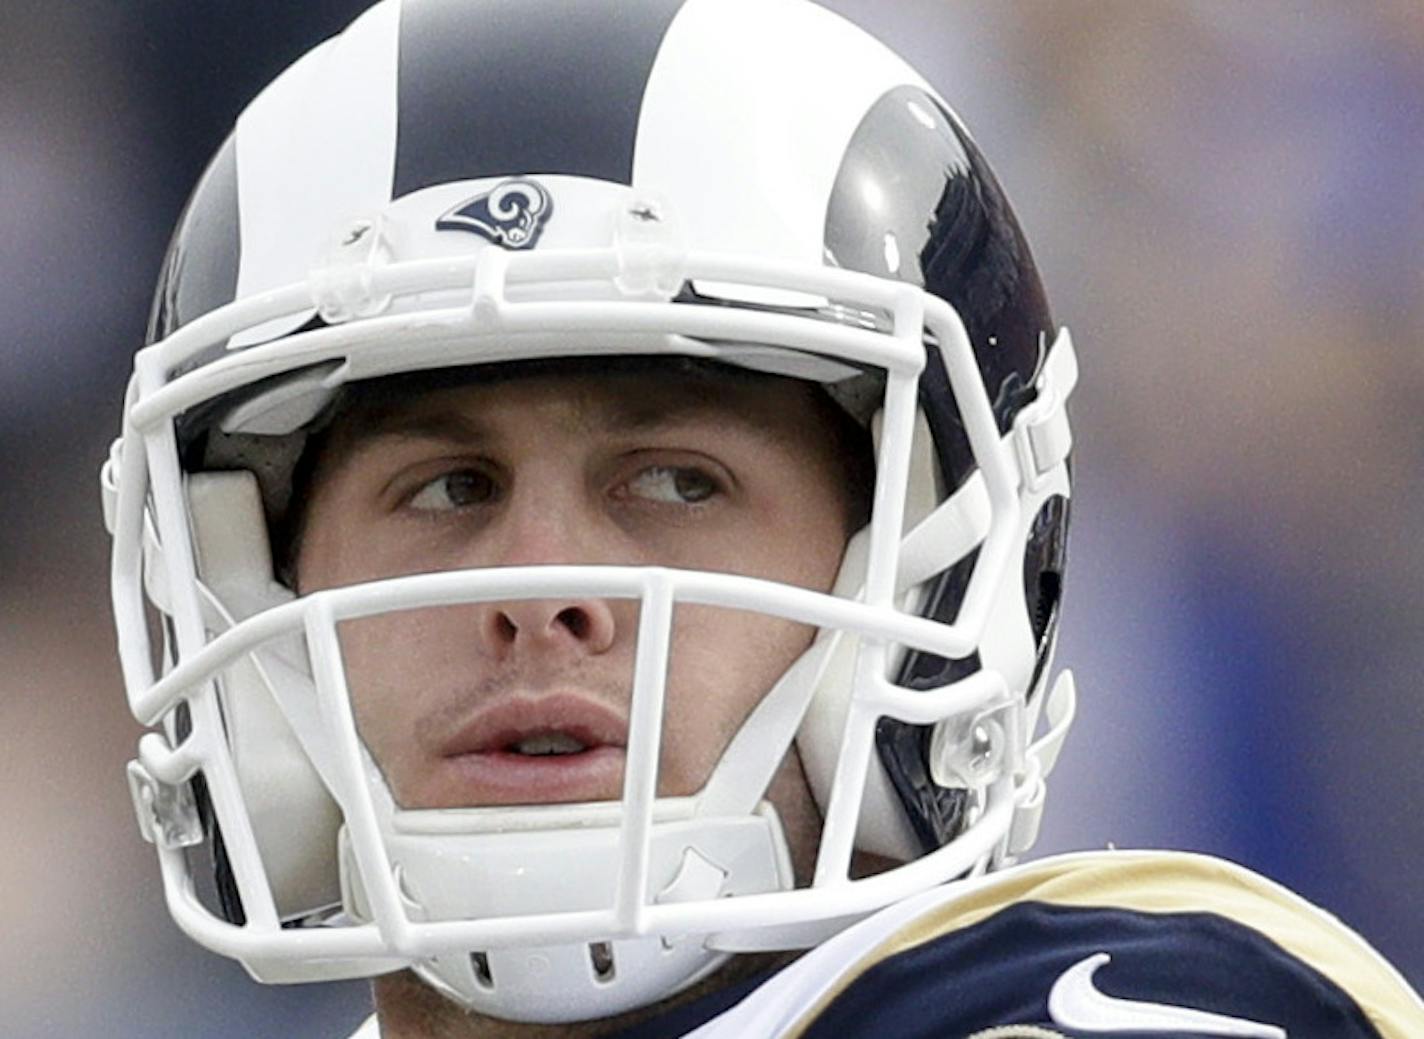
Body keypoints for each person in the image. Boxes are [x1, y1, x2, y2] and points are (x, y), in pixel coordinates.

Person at [100, 1, 1423, 1036]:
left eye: (676, 482)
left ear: (925, 582)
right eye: (447, 488)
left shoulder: (1124, 1002)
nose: (540, 588)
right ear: (253, 588)